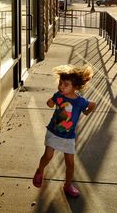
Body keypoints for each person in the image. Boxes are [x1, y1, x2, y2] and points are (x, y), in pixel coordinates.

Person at [32, 64, 96, 197]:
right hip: (53, 132)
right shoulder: (58, 95)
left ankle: (67, 186)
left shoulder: (80, 102)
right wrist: (50, 102)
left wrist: (86, 112)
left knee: (70, 164)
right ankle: (40, 170)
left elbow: (93, 105)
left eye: (65, 84)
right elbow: (51, 102)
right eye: (60, 83)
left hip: (68, 136)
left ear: (75, 87)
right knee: (48, 156)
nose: (61, 86)